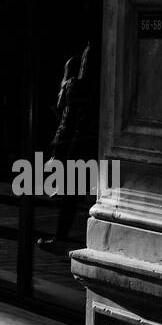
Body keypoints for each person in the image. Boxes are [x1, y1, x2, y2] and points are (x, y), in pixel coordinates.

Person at [37, 38, 100, 254]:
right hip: (95, 143)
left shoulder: (76, 85)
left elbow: (64, 115)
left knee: (72, 197)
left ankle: (61, 237)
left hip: (78, 142)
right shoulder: (104, 86)